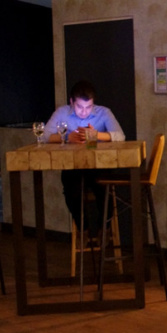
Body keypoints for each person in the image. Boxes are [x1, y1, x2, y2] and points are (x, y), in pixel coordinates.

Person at [45, 80, 125, 237]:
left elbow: (120, 136)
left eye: (88, 107)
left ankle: (106, 227)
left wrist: (96, 135)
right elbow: (45, 136)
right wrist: (67, 137)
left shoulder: (104, 112)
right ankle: (84, 228)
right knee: (70, 189)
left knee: (104, 188)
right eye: (80, 107)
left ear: (93, 104)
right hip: (73, 166)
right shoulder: (62, 113)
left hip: (99, 165)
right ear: (71, 102)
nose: (84, 112)